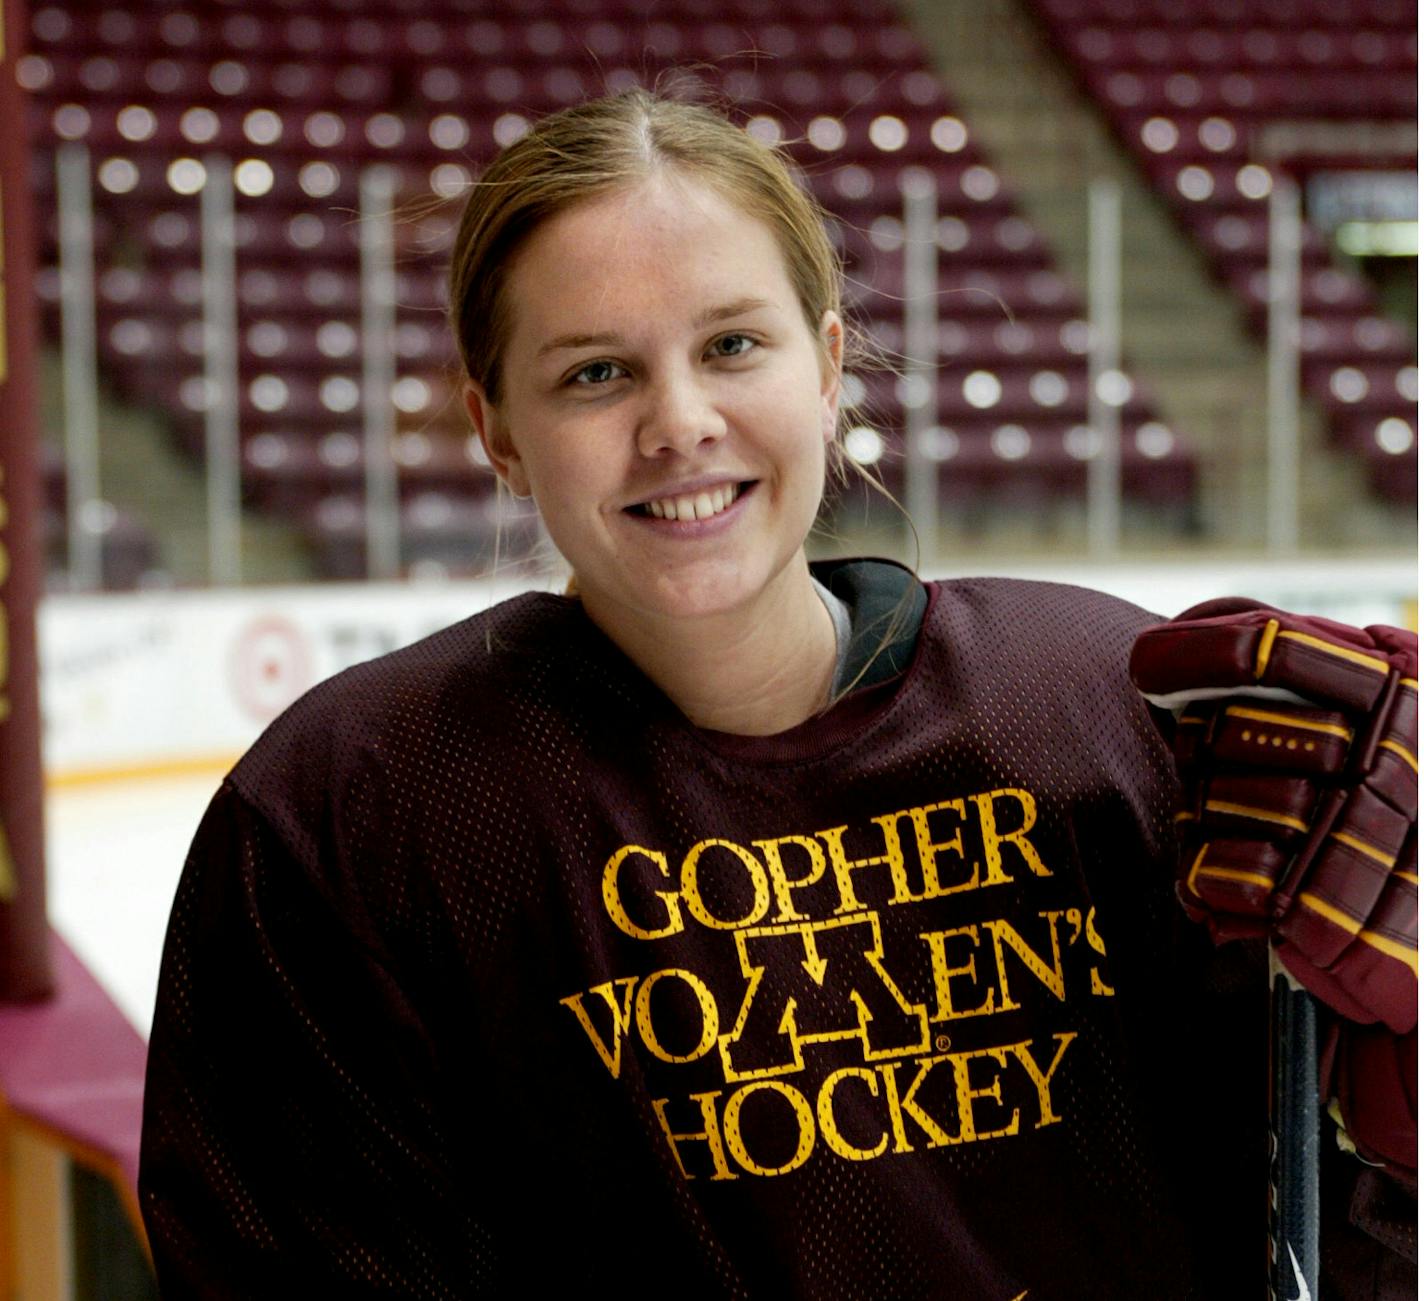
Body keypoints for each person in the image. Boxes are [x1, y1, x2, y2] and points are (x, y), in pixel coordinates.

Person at [139, 89, 1415, 1298]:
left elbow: (1323, 1217)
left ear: (825, 364)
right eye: (595, 372)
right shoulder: (351, 820)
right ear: (498, 430)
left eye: (732, 344)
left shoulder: (1103, 710)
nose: (677, 421)